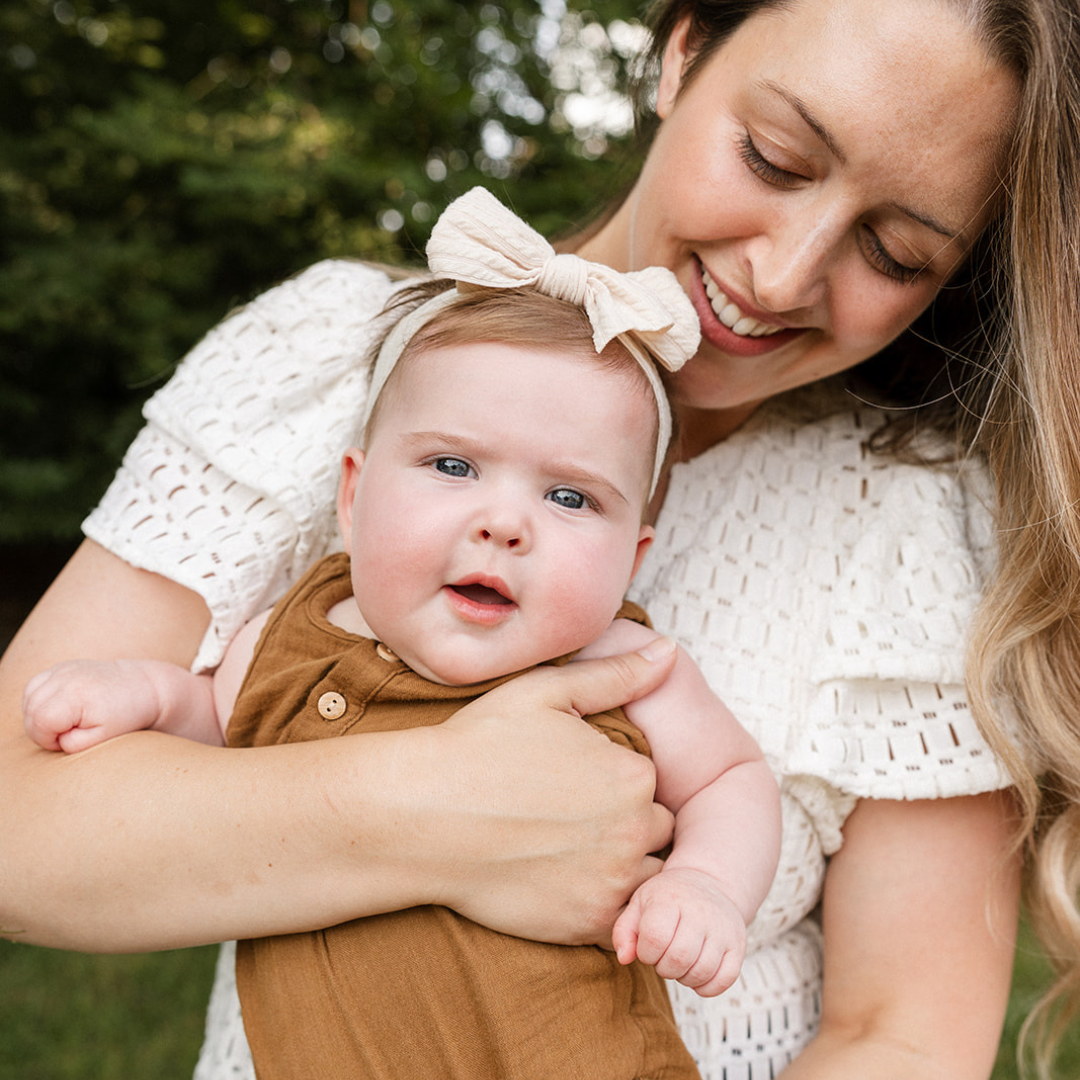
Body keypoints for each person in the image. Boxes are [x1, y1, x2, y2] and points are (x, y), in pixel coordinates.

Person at [3, 0, 1079, 1076]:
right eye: (774, 157)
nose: (783, 275)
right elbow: (22, 826)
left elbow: (902, 1034)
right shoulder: (332, 359)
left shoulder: (908, 520)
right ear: (685, 51)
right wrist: (450, 813)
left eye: (893, 252)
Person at [22, 189, 783, 1079]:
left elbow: (732, 778)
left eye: (570, 497)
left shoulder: (623, 664)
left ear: (634, 558)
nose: (506, 523)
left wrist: (707, 886)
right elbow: (213, 715)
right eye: (453, 466)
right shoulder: (293, 639)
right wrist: (142, 693)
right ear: (351, 496)